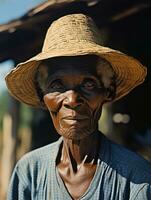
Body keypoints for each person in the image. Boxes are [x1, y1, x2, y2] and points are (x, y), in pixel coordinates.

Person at [5, 14, 151, 200]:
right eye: (57, 85)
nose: (72, 99)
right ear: (43, 96)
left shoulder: (137, 178)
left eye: (88, 84)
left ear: (108, 92)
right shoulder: (29, 172)